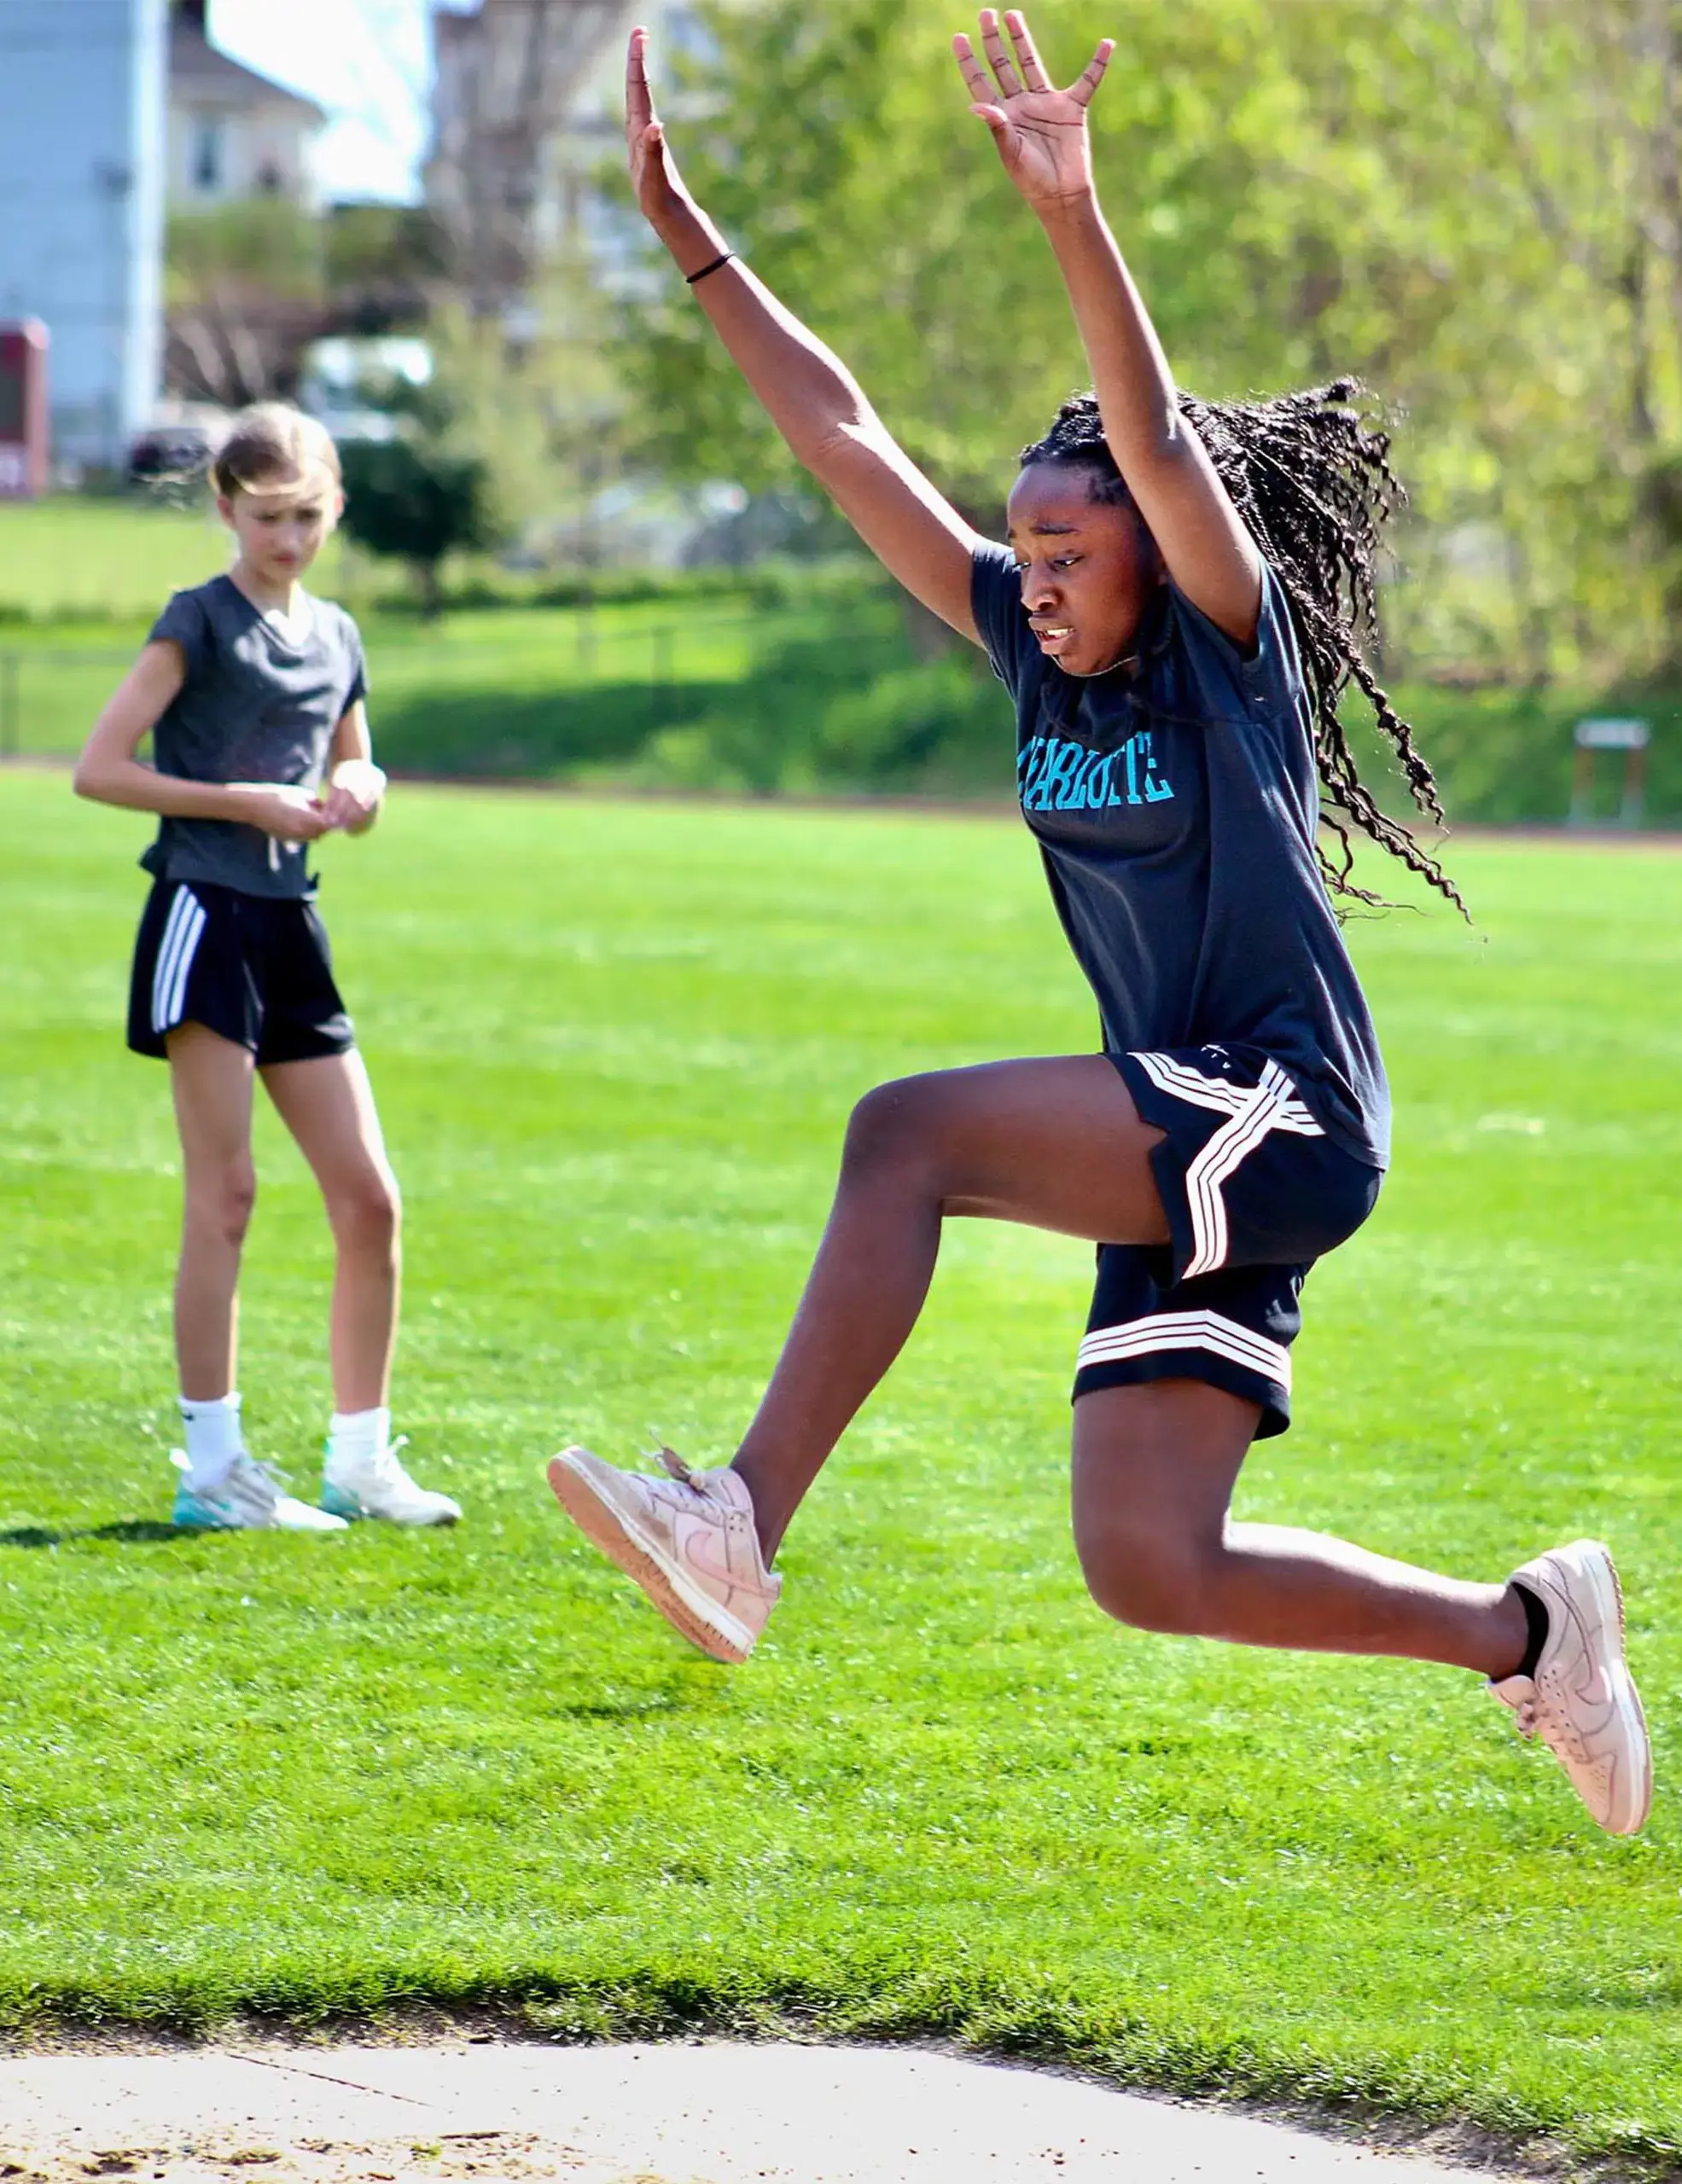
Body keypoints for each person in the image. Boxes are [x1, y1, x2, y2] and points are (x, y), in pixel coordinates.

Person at [546, 15, 1649, 1834]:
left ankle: (739, 1523)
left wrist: (1072, 210)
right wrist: (689, 237)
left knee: (906, 1134)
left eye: (1071, 550)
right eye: (1025, 549)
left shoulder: (1226, 649)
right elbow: (839, 440)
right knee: (1152, 1560)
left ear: (1153, 543)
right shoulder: (1019, 646)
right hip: (1193, 1120)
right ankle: (1528, 1630)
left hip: (1280, 1105)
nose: (1038, 576)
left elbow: (1137, 426)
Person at [73, 404, 460, 1534]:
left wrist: (368, 789)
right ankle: (214, 1472)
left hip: (293, 921)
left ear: (332, 510)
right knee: (227, 1196)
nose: (287, 540)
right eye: (265, 518)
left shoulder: (336, 632)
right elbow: (100, 769)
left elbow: (352, 759)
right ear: (225, 509)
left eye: (305, 518)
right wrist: (238, 803)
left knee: (369, 1198)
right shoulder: (194, 621)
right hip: (203, 912)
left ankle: (361, 1461)